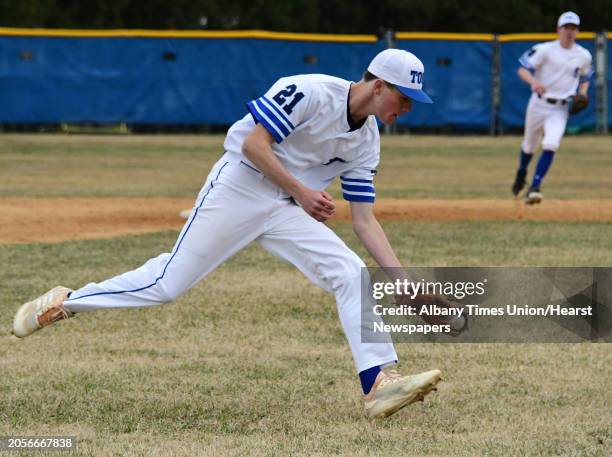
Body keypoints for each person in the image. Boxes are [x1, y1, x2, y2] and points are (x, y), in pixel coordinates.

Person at [13, 49, 445, 418]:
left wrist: (404, 280)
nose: (406, 109)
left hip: (286, 208)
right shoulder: (312, 90)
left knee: (351, 272)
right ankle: (66, 301)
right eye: (404, 99)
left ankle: (378, 382)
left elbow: (364, 219)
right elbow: (253, 145)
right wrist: (301, 191)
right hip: (241, 186)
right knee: (167, 285)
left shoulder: (367, 140)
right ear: (378, 85)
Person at [511, 11, 593, 204]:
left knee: (551, 144)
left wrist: (582, 93)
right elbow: (522, 68)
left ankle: (535, 186)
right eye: (566, 27)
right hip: (539, 104)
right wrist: (534, 83)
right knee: (529, 146)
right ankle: (521, 173)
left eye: (573, 28)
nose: (570, 32)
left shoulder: (583, 55)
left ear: (577, 31)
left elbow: (585, 77)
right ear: (558, 29)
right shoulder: (545, 50)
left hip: (560, 108)